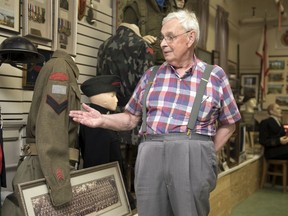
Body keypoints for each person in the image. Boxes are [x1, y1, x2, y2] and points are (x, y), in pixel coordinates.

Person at [70, 10, 241, 216]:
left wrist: (206, 153)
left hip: (193, 156)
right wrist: (102, 120)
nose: (162, 43)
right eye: (162, 37)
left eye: (170, 37)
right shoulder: (151, 75)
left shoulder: (214, 75)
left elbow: (230, 123)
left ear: (190, 38)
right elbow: (130, 118)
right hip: (150, 155)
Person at [2, 50, 81, 215]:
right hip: (45, 169)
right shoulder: (60, 68)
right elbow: (52, 127)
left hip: (43, 165)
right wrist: (60, 183)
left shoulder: (57, 66)